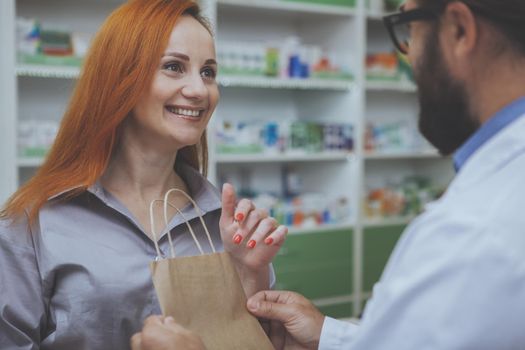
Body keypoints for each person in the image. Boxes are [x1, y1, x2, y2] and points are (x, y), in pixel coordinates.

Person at [131, 0, 525, 348]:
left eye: (410, 30)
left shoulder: (474, 232)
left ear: (459, 30)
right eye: (172, 67)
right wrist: (329, 335)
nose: (408, 57)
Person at [0, 1, 288, 349]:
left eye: (208, 72)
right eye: (173, 67)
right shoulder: (34, 223)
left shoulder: (227, 225)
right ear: (120, 79)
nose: (200, 90)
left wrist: (251, 277)